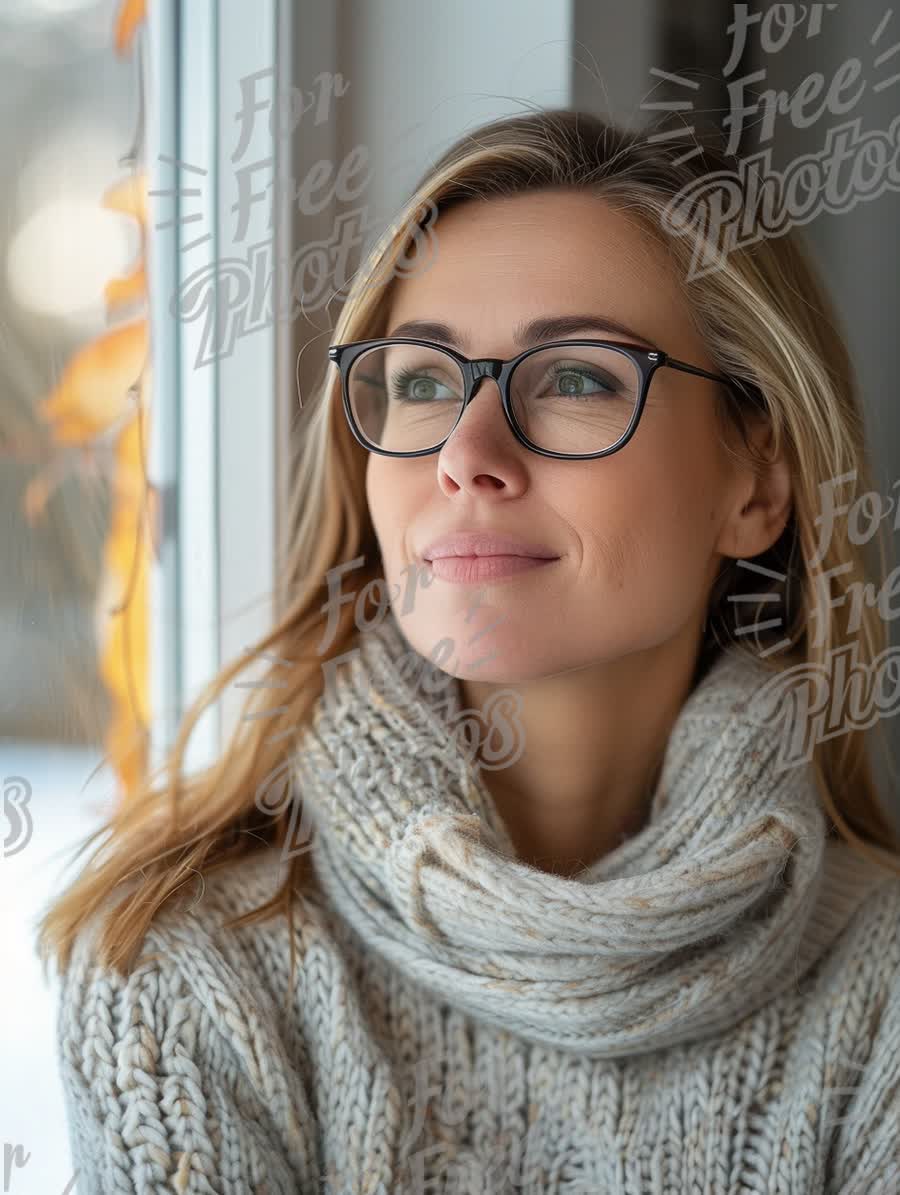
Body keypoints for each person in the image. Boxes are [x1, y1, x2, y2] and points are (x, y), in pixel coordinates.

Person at [39, 108, 900, 1194]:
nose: (467, 454)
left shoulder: (881, 989)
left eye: (577, 378)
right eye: (423, 380)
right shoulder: (187, 970)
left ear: (757, 479)